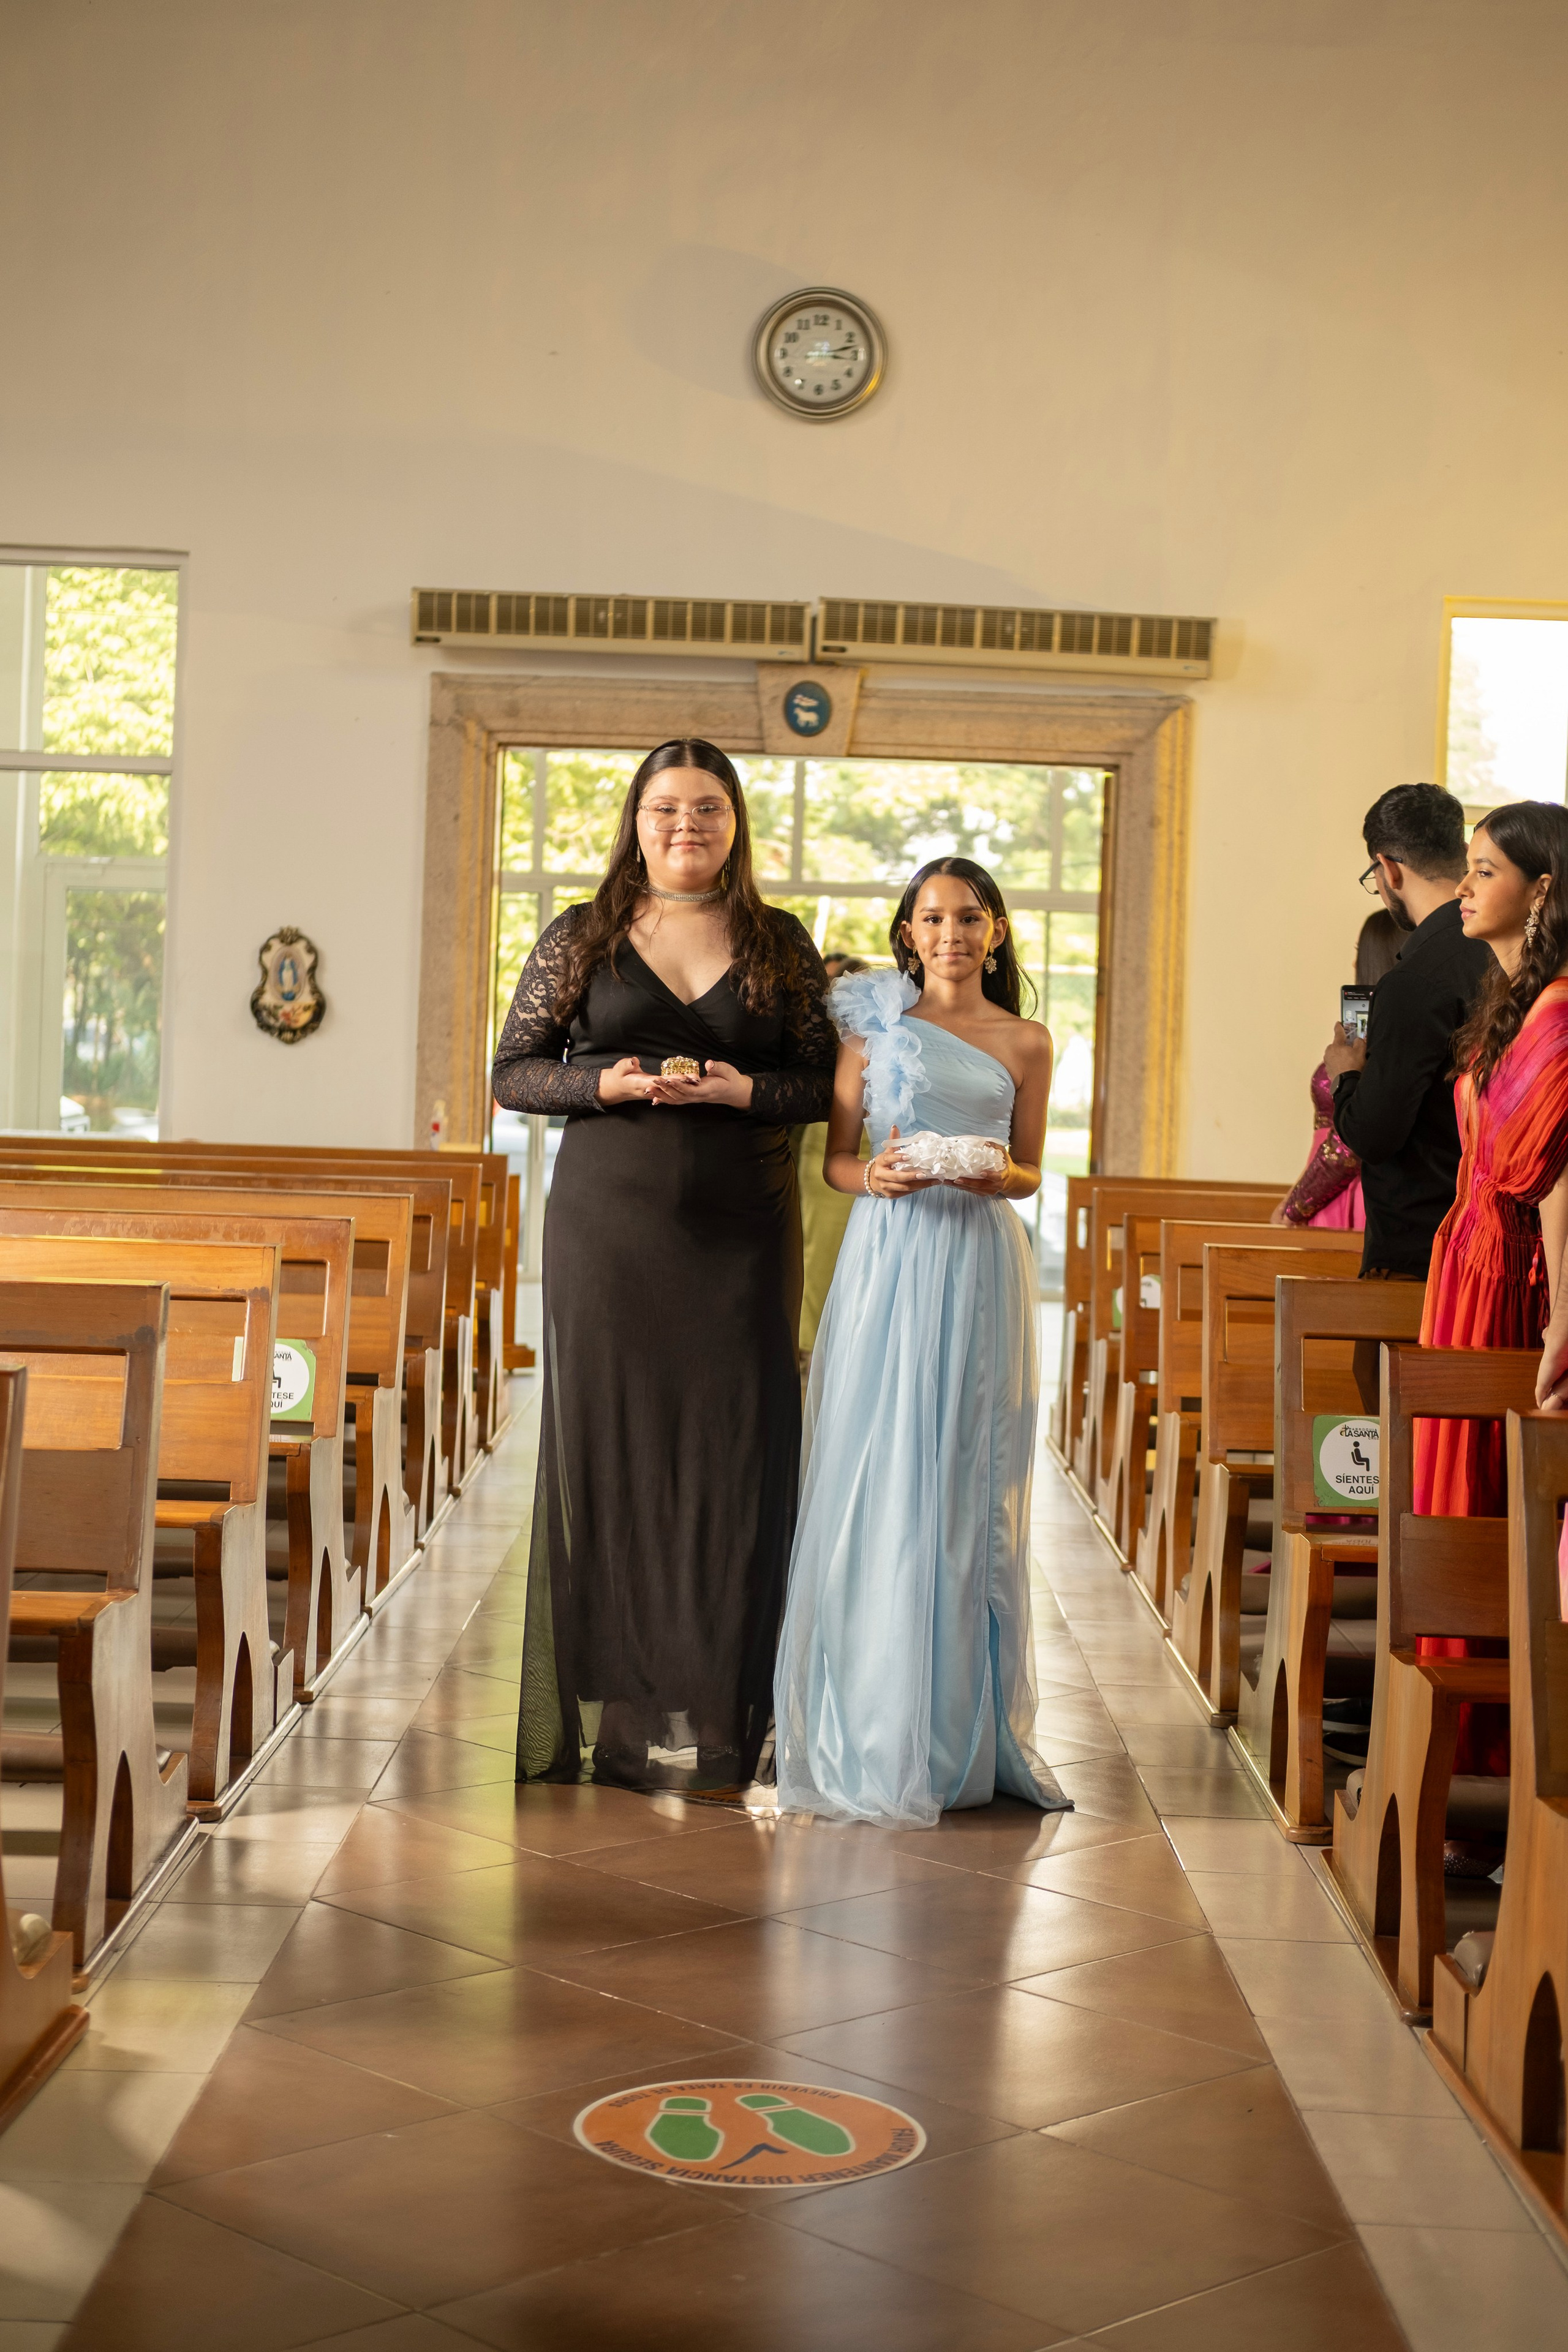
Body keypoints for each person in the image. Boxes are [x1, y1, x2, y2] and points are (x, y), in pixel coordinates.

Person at [491, 738, 835, 1795]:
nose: (686, 825)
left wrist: (738, 1092)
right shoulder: (583, 936)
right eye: (665, 808)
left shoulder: (779, 942)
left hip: (742, 1234)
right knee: (617, 1450)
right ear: (635, 821)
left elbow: (821, 1083)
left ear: (735, 823)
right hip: (611, 1233)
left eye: (708, 808)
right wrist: (613, 1086)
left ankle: (730, 1701)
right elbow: (513, 1074)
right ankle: (629, 1707)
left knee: (740, 1452)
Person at [773, 858, 1070, 1827]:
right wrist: (882, 1183)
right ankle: (874, 1721)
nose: (951, 933)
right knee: (885, 1465)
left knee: (965, 1474)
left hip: (980, 1259)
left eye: (969, 916)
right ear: (908, 932)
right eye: (933, 918)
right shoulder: (872, 1033)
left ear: (994, 930)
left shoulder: (1027, 1040)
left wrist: (1001, 1178)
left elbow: (1029, 1169)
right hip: (892, 1256)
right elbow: (838, 1163)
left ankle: (963, 1735)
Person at [1414, 802, 1568, 1816]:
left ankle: (1498, 1776)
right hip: (1464, 1268)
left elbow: (1560, 1186)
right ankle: (1459, 1769)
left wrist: (1564, 1321)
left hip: (1513, 1283)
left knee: (1490, 1511)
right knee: (1454, 1505)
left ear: (1542, 887)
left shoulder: (1560, 1010)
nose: (1463, 888)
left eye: (1482, 871)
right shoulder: (1514, 996)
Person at [1327, 783, 1494, 1278]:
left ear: (1389, 869)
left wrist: (1346, 1076)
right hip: (1493, 1235)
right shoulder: (1501, 952)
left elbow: (1374, 1135)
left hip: (1420, 1253)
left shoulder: (1414, 979)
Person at [1274, 910, 1402, 1228]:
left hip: (1348, 1193)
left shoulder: (1382, 1041)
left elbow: (1349, 1145)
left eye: (1360, 953)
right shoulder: (1367, 1032)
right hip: (1325, 1188)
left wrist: (1293, 1209)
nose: (1354, 963)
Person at [796, 954, 868, 1352]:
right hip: (821, 1139)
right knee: (817, 1250)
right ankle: (811, 1347)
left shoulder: (874, 1027)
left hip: (870, 1139)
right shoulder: (810, 1028)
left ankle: (849, 1344)